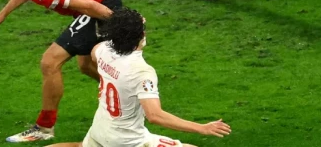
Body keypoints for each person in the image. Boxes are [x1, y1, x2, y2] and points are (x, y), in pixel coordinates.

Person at [0, 0, 122, 142]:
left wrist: (125, 23)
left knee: (50, 62)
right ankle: (127, 96)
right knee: (86, 66)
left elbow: (89, 6)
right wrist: (2, 14)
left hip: (100, 5)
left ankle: (44, 128)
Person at [46, 8, 231, 147]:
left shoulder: (102, 50)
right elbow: (155, 116)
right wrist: (202, 128)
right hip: (128, 141)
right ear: (141, 36)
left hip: (100, 129)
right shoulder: (142, 72)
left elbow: (95, 53)